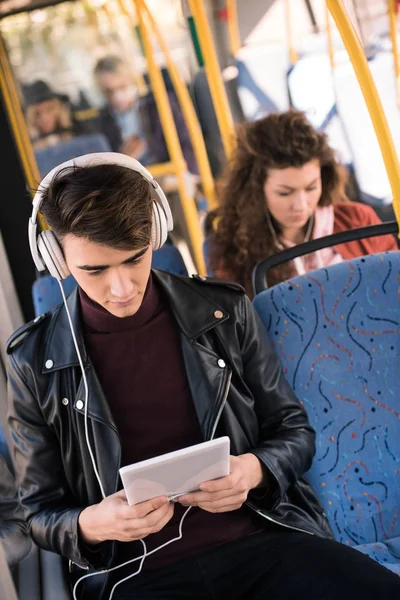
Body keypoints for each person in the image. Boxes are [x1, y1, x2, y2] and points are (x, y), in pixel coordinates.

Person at [7, 153, 400, 600]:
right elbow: (38, 512)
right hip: (141, 576)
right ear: (56, 258)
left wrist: (253, 470)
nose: (121, 288)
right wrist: (93, 524)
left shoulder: (225, 312)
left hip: (265, 542)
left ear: (154, 234)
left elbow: (294, 431)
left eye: (134, 259)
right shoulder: (34, 361)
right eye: (94, 270)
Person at [207, 110, 397, 295]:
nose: (301, 205)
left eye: (311, 188)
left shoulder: (358, 220)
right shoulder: (233, 252)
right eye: (285, 193)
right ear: (256, 190)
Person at [94, 56, 197, 173]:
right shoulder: (104, 121)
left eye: (122, 87)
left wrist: (183, 174)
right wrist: (123, 158)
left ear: (131, 81)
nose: (117, 96)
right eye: (108, 91)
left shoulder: (160, 105)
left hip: (172, 174)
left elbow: (189, 143)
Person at [23, 80, 77, 150]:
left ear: (58, 109)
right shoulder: (26, 143)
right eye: (37, 114)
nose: (44, 118)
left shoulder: (77, 128)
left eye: (49, 109)